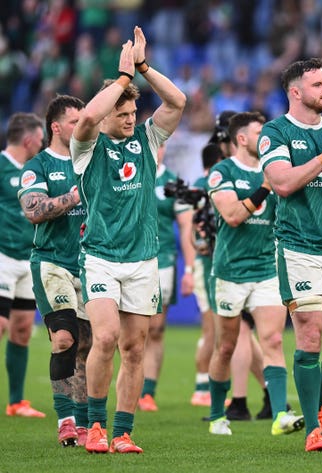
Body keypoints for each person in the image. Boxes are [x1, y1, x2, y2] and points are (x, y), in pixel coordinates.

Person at [70, 26, 186, 454]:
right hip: (100, 256)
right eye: (122, 113)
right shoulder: (86, 148)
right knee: (104, 339)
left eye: (133, 112)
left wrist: (143, 69)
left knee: (134, 347)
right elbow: (83, 118)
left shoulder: (148, 140)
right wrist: (121, 79)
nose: (130, 118)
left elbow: (178, 102)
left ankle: (122, 433)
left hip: (143, 260)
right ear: (105, 117)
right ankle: (95, 426)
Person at [258, 57, 322, 453]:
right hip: (298, 246)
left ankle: (316, 402)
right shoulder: (276, 131)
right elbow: (282, 183)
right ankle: (314, 430)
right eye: (318, 84)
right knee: (309, 334)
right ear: (295, 92)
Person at [206, 111, 304, 437]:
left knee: (273, 340)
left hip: (266, 269)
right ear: (242, 139)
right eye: (258, 132)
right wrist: (264, 188)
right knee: (226, 346)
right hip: (231, 270)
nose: (265, 138)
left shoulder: (276, 171)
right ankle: (218, 413)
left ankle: (279, 415)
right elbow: (232, 216)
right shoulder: (222, 172)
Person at [17, 95, 92, 446]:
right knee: (64, 338)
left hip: (90, 265)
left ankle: (85, 422)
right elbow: (33, 210)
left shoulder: (90, 162)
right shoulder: (39, 166)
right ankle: (65, 420)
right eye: (75, 122)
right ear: (56, 127)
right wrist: (73, 199)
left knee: (88, 347)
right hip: (51, 262)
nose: (82, 127)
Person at [137, 142, 195, 412]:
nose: (156, 151)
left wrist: (190, 269)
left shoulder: (174, 183)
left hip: (163, 261)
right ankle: (130, 382)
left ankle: (147, 391)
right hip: (129, 260)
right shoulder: (128, 174)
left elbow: (186, 227)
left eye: (160, 147)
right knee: (129, 332)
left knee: (156, 329)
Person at [1, 112, 47, 419]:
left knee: (20, 329)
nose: (43, 145)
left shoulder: (35, 170)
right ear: (29, 139)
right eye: (41, 139)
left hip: (27, 258)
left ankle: (16, 401)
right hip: (2, 256)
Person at [190, 142, 224, 409]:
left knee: (219, 330)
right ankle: (202, 386)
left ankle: (208, 384)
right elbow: (194, 231)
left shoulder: (202, 184)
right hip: (206, 265)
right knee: (212, 329)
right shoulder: (204, 185)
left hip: (219, 264)